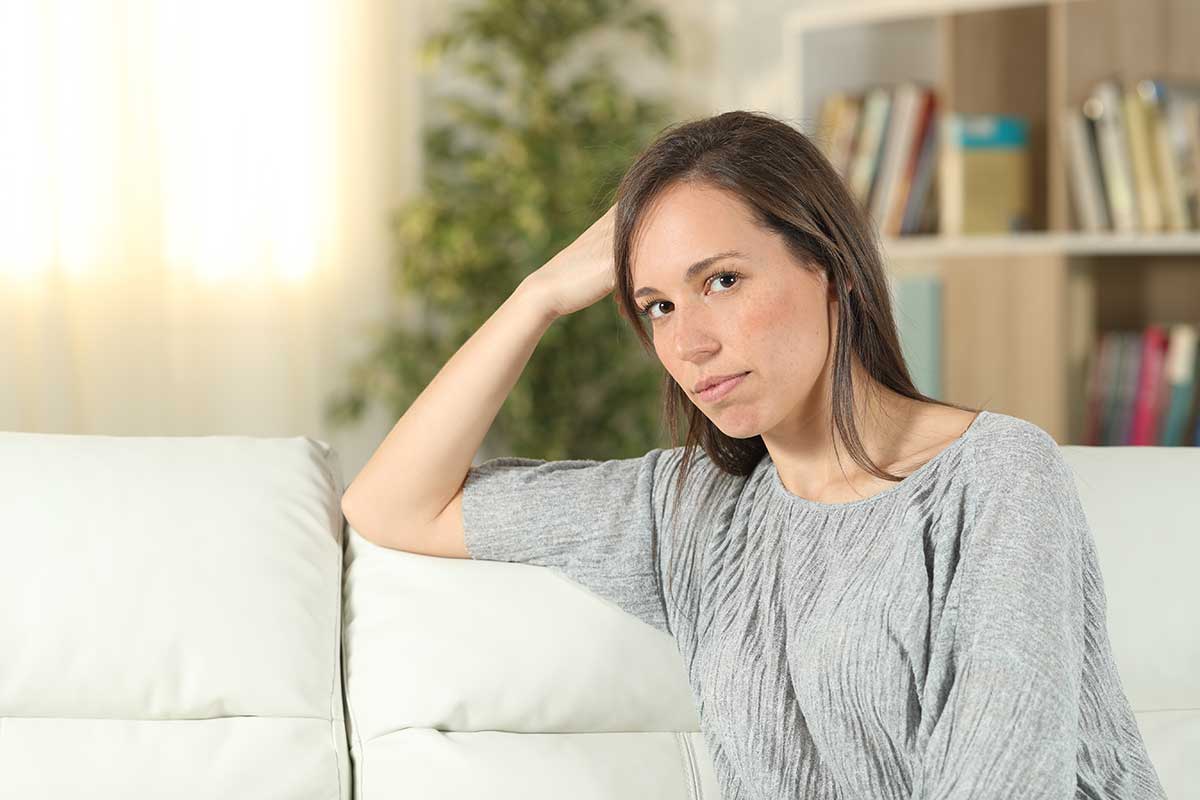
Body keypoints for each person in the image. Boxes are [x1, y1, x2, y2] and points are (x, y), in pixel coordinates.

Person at [342, 110, 1166, 799]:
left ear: (829, 266)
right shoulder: (688, 510)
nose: (690, 342)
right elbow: (390, 506)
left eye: (723, 281)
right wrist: (541, 296)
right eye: (657, 305)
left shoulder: (995, 477)